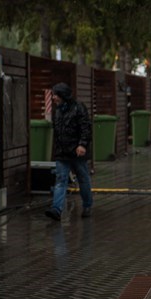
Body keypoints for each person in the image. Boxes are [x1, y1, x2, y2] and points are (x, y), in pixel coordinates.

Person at [45, 82, 93, 221]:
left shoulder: (78, 108)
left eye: (55, 95)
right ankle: (56, 209)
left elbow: (85, 127)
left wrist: (82, 145)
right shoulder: (58, 110)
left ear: (62, 95)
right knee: (60, 180)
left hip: (77, 152)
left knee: (82, 178)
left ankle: (87, 205)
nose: (53, 97)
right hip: (62, 152)